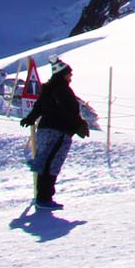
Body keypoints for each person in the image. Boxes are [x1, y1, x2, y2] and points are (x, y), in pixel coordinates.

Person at [19, 58, 90, 210]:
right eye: (69, 74)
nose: (70, 77)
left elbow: (39, 106)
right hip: (58, 131)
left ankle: (42, 195)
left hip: (45, 129)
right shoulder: (62, 90)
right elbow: (69, 110)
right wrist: (78, 124)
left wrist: (30, 118)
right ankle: (44, 198)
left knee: (45, 161)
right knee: (51, 163)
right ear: (63, 75)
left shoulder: (49, 89)